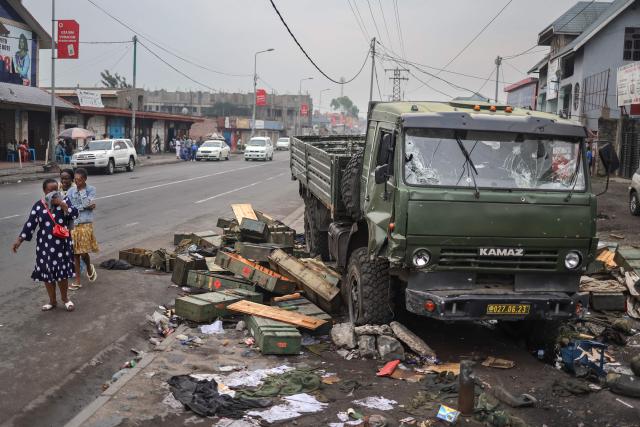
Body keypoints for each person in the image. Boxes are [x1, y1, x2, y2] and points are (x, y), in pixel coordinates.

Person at [12, 178, 78, 311]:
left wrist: (63, 205)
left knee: (62, 273)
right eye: (50, 190)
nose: (53, 193)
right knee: (47, 274)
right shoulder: (39, 205)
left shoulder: (64, 201)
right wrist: (19, 240)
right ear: (44, 191)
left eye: (56, 190)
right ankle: (52, 301)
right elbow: (30, 224)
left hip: (62, 245)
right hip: (45, 246)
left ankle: (65, 299)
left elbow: (75, 214)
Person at [66, 168, 98, 290]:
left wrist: (83, 193)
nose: (77, 182)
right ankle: (78, 281)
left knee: (83, 252)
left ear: (85, 179)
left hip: (85, 223)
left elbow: (85, 204)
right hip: (74, 224)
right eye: (75, 180)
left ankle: (89, 267)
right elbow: (69, 207)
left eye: (79, 180)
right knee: (76, 253)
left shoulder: (91, 189)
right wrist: (86, 207)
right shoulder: (70, 191)